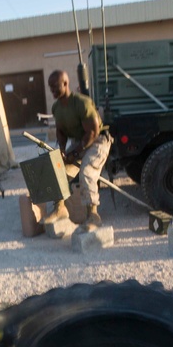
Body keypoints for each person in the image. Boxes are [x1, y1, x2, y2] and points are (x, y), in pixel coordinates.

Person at [42, 69, 112, 230]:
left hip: (98, 141)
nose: (52, 90)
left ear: (65, 84)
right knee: (58, 168)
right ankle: (60, 209)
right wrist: (61, 150)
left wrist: (74, 153)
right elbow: (60, 130)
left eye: (55, 87)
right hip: (80, 142)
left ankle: (93, 215)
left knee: (86, 171)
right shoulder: (56, 108)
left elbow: (93, 132)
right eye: (50, 87)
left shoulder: (81, 102)